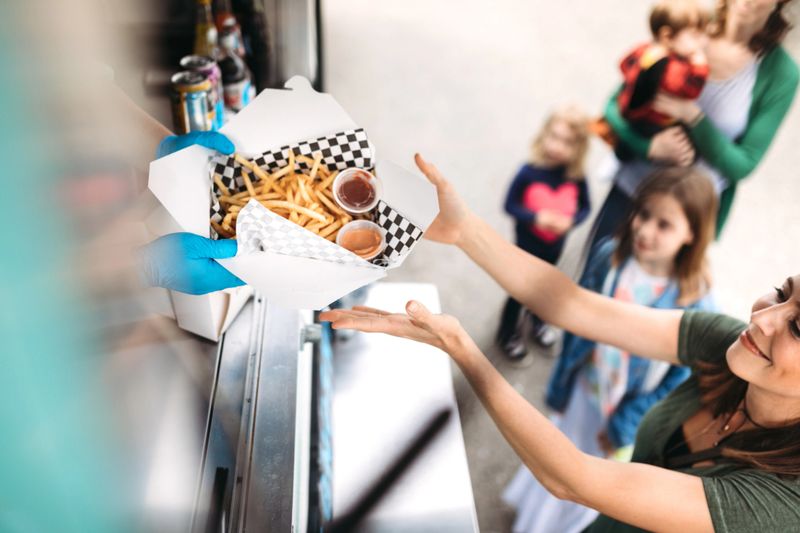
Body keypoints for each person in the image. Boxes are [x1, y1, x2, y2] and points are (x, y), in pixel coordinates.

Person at [321, 154, 800, 533]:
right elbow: (572, 306)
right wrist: (466, 231)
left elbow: (572, 478)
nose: (764, 318)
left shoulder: (784, 503)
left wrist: (463, 347)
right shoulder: (729, 346)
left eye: (798, 327)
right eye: (782, 292)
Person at [503, 166, 718, 533]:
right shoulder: (609, 258)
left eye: (663, 225)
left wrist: (624, 424)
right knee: (554, 453)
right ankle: (532, 520)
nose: (645, 230)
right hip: (583, 388)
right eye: (643, 213)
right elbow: (574, 327)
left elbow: (677, 382)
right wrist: (560, 384)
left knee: (586, 482)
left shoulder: (696, 306)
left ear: (693, 233)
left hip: (618, 412)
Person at [589, 0, 798, 250]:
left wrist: (693, 117)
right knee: (591, 279)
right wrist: (649, 146)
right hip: (629, 193)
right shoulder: (689, 22)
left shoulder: (781, 72)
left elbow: (744, 164)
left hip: (684, 226)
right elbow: (614, 106)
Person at [497, 105, 591, 358]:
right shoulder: (528, 173)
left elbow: (585, 207)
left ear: (579, 148)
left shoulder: (576, 178)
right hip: (524, 250)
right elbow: (509, 205)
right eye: (554, 137)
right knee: (518, 292)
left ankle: (538, 321)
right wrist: (535, 217)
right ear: (544, 135)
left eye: (568, 142)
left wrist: (571, 221)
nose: (558, 146)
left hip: (553, 250)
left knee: (543, 288)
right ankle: (507, 333)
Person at [595, 0, 710, 162]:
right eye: (695, 36)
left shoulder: (646, 50)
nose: (703, 43)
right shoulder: (670, 66)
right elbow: (690, 90)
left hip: (629, 110)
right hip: (649, 120)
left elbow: (623, 64)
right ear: (667, 36)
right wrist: (700, 66)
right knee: (693, 148)